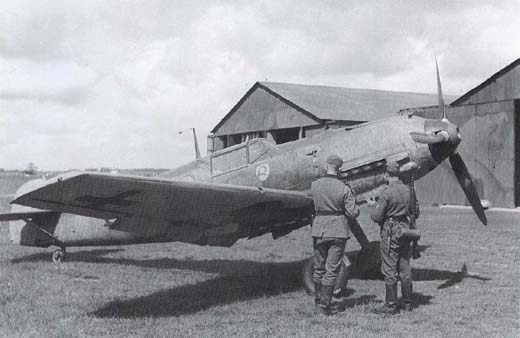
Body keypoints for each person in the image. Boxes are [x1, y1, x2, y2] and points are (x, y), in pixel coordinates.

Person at [311, 154, 360, 316]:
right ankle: (324, 307)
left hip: (319, 229)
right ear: (339, 169)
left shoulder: (315, 185)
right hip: (338, 230)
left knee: (318, 267)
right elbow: (353, 213)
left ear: (326, 166)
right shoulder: (344, 188)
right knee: (332, 269)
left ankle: (318, 301)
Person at [369, 161, 420, 314]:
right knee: (405, 267)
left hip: (390, 233)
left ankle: (390, 305)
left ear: (386, 175)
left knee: (389, 269)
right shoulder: (409, 190)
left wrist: (373, 206)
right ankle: (408, 303)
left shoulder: (386, 192)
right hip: (405, 231)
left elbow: (377, 217)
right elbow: (416, 213)